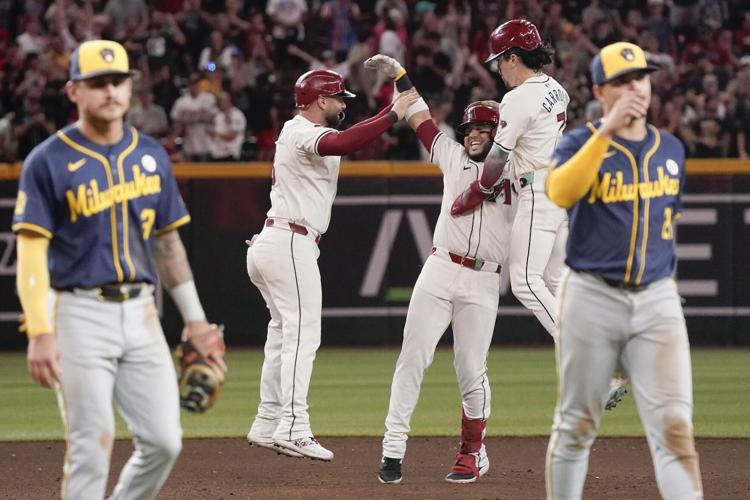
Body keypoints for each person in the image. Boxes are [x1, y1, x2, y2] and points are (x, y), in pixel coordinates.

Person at [13, 40, 226, 500]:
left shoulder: (151, 155)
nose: (110, 91)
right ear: (74, 91)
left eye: (118, 82)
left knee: (165, 441)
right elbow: (30, 253)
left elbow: (168, 244)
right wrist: (40, 330)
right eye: (97, 83)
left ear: (130, 88)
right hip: (77, 313)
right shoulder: (47, 160)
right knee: (91, 446)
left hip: (142, 312)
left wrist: (195, 319)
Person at [544, 41, 703, 499]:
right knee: (576, 425)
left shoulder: (671, 149)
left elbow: (664, 227)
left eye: (642, 78)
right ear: (600, 90)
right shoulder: (579, 143)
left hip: (656, 297)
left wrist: (665, 287)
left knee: (675, 428)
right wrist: (607, 130)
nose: (636, 87)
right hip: (592, 296)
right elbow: (560, 191)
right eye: (622, 81)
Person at [450, 19, 629, 409]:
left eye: (501, 60)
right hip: (561, 188)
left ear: (514, 57)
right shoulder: (557, 89)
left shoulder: (518, 98)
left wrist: (480, 188)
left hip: (538, 191)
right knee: (557, 283)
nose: (498, 67)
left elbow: (497, 158)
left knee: (526, 283)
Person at [245, 69, 419, 461]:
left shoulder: (297, 132)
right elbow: (343, 142)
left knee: (282, 333)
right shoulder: (301, 130)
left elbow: (345, 138)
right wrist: (392, 114)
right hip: (289, 241)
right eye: (340, 99)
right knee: (302, 335)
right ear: (321, 100)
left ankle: (268, 419)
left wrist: (388, 112)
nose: (343, 105)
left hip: (277, 239)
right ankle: (293, 425)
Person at [365, 54, 513, 485]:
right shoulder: (450, 155)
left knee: (471, 369)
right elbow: (417, 113)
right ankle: (392, 450)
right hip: (440, 267)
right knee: (412, 358)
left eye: (484, 129)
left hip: (484, 278)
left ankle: (472, 451)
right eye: (470, 129)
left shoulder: (520, 171)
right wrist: (399, 72)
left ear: (499, 134)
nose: (474, 135)